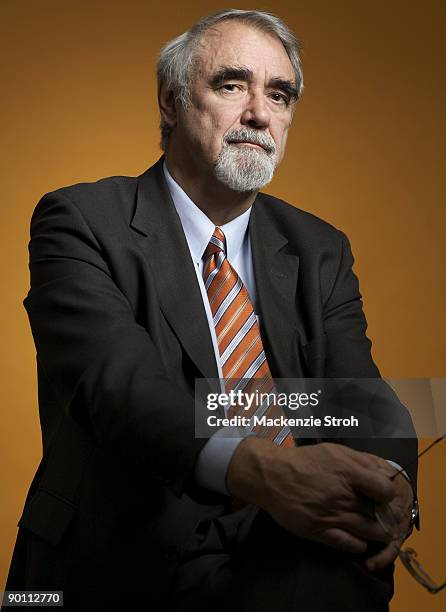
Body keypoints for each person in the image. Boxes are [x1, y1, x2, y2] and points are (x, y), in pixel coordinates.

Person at [4, 9, 418, 612]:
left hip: (295, 572)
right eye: (232, 85)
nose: (259, 113)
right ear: (171, 102)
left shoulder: (321, 247)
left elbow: (359, 396)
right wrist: (260, 471)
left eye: (280, 95)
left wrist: (390, 481)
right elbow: (118, 388)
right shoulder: (81, 220)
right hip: (114, 569)